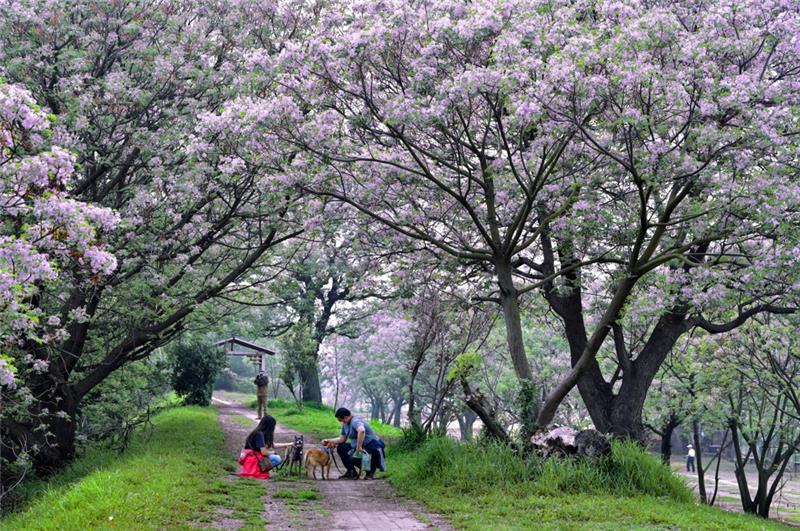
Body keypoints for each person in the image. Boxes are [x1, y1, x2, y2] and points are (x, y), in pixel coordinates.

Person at [321, 407, 385, 480]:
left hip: (372, 447)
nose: (342, 422)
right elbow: (342, 439)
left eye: (341, 420)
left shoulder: (355, 421)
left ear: (345, 417)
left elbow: (361, 431)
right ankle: (351, 472)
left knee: (354, 457)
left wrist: (358, 447)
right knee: (342, 447)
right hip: (361, 447)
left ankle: (370, 471)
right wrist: (328, 440)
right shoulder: (346, 424)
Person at [238, 415, 292, 480]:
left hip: (249, 458)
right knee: (277, 459)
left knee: (274, 457)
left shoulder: (258, 432)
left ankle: (259, 470)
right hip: (255, 459)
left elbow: (272, 445)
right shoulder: (260, 435)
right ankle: (261, 470)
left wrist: (287, 444)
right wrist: (273, 452)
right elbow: (264, 452)